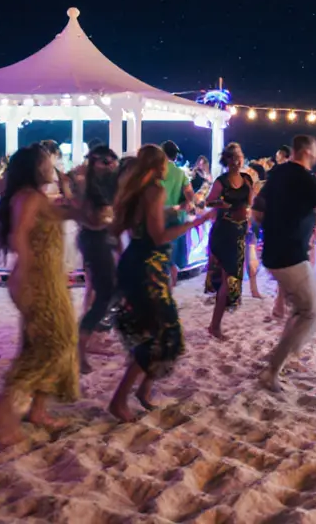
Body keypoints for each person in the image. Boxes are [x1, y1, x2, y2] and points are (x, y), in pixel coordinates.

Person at [109, 145, 216, 422]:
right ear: (160, 165)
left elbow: (131, 226)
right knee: (160, 334)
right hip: (149, 267)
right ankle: (120, 399)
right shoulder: (154, 189)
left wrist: (172, 211)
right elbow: (158, 236)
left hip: (136, 263)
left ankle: (144, 391)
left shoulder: (135, 191)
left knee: (157, 331)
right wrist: (197, 222)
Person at [0, 145, 80, 444]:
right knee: (56, 342)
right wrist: (24, 273)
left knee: (40, 343)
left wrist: (67, 188)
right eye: (48, 163)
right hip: (36, 281)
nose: (52, 166)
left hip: (49, 280)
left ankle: (38, 410)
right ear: (35, 167)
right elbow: (18, 236)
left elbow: (76, 213)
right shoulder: (28, 197)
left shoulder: (38, 197)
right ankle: (3, 408)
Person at [254, 135, 316, 392]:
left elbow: (256, 212)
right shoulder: (306, 179)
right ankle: (273, 369)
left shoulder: (278, 174)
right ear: (309, 152)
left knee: (301, 310)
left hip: (274, 252)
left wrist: (276, 225)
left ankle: (288, 357)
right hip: (290, 256)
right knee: (311, 309)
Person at [75, 145, 120, 373]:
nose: (110, 165)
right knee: (104, 292)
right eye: (105, 161)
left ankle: (90, 339)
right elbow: (93, 218)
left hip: (101, 238)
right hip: (94, 239)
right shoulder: (85, 183)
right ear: (94, 161)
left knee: (104, 292)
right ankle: (83, 345)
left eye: (112, 161)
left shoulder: (104, 182)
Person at [204, 143, 255, 340]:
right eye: (232, 159)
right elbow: (209, 201)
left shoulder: (247, 179)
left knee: (231, 280)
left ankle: (215, 324)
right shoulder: (221, 181)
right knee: (226, 280)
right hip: (223, 232)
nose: (236, 162)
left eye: (239, 158)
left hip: (240, 232)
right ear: (226, 161)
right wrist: (222, 204)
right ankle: (215, 326)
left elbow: (250, 202)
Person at [160, 140, 199, 282]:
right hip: (175, 217)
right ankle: (171, 286)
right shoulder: (180, 174)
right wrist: (187, 204)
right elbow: (190, 195)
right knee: (172, 255)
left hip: (157, 216)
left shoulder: (155, 171)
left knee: (158, 254)